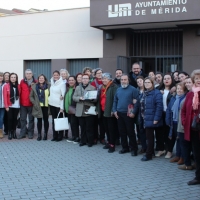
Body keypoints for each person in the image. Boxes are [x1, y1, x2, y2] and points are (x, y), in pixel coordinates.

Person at [113, 74, 139, 156]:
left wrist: (134, 112)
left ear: (128, 80)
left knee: (130, 132)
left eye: (125, 80)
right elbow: (115, 101)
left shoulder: (133, 90)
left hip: (129, 114)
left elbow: (137, 102)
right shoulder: (118, 89)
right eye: (122, 80)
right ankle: (125, 148)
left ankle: (134, 149)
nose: (123, 81)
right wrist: (114, 110)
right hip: (119, 113)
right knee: (122, 132)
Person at [181, 69, 200, 185]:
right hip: (193, 130)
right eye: (197, 78)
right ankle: (198, 177)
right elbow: (183, 111)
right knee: (197, 155)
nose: (198, 80)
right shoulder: (190, 94)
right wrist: (184, 121)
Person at [140, 77, 163, 161]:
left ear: (152, 84)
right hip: (145, 117)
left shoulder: (156, 93)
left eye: (148, 82)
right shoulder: (144, 93)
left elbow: (159, 106)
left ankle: (148, 155)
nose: (146, 84)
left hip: (153, 118)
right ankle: (151, 151)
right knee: (148, 137)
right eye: (145, 82)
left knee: (150, 138)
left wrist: (156, 118)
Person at [73, 74, 97, 147]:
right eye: (83, 78)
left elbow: (96, 99)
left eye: (86, 78)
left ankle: (90, 141)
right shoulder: (77, 88)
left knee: (89, 127)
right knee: (82, 127)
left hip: (88, 109)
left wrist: (92, 99)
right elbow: (74, 97)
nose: (85, 80)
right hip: (80, 109)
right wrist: (79, 98)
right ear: (81, 79)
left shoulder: (92, 87)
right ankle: (83, 141)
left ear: (89, 79)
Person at [165, 82, 187, 163]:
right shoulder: (173, 98)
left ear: (184, 90)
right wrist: (167, 120)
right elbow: (168, 109)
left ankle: (182, 157)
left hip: (180, 122)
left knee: (182, 140)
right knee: (177, 139)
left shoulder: (185, 98)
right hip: (173, 121)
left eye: (181, 89)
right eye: (178, 88)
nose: (179, 90)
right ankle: (177, 156)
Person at [97, 73, 118, 153]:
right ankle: (109, 142)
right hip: (103, 111)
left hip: (110, 111)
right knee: (106, 129)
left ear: (110, 79)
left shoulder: (113, 87)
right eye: (103, 79)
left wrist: (113, 110)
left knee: (111, 129)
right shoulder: (102, 87)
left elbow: (115, 100)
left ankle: (112, 145)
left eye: (105, 79)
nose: (104, 80)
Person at [156, 74, 175, 158]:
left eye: (168, 78)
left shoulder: (175, 90)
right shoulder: (158, 89)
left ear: (171, 80)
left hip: (170, 114)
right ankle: (161, 149)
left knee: (169, 133)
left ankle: (169, 150)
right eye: (165, 79)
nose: (166, 80)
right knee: (159, 132)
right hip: (160, 113)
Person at [177, 79, 194, 170]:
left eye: (189, 82)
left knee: (186, 146)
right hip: (182, 124)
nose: (187, 84)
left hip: (186, 126)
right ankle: (188, 163)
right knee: (185, 145)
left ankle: (188, 164)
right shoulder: (188, 94)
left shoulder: (193, 95)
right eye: (186, 83)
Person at [29, 74, 50, 141]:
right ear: (38, 79)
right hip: (38, 106)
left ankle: (45, 134)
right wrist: (34, 103)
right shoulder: (35, 86)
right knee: (39, 121)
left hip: (46, 106)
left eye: (42, 78)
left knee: (46, 121)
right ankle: (39, 135)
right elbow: (31, 96)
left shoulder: (49, 86)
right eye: (40, 78)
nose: (41, 79)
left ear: (44, 79)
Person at [18, 69, 36, 139]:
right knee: (23, 119)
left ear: (32, 74)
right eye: (27, 73)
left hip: (32, 104)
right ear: (25, 75)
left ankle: (30, 133)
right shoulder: (22, 81)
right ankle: (23, 133)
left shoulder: (35, 82)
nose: (28, 75)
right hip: (23, 104)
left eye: (30, 73)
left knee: (31, 119)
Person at [48, 70, 66, 142]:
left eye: (57, 75)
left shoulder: (62, 84)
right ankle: (54, 135)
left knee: (59, 120)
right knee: (53, 120)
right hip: (52, 104)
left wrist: (62, 107)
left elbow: (63, 96)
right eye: (54, 75)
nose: (55, 76)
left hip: (58, 106)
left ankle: (60, 136)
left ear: (59, 76)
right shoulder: (52, 82)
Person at [91, 68, 106, 144]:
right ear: (95, 75)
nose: (100, 74)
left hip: (102, 105)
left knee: (102, 123)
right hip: (94, 105)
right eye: (98, 73)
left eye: (101, 73)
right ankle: (95, 137)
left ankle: (102, 137)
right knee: (94, 122)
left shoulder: (105, 82)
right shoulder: (93, 83)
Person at [3, 73, 20, 140]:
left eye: (14, 77)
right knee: (10, 119)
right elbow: (5, 97)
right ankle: (10, 133)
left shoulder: (18, 86)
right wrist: (6, 106)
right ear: (10, 78)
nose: (13, 78)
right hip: (9, 105)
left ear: (16, 78)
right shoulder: (6, 86)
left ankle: (14, 132)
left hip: (17, 105)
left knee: (15, 120)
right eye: (12, 77)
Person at [64, 76, 80, 144]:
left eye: (72, 80)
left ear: (75, 81)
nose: (71, 81)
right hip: (68, 110)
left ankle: (77, 137)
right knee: (71, 123)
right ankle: (73, 136)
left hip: (74, 109)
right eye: (69, 80)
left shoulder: (76, 88)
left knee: (75, 124)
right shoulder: (67, 88)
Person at [136, 76, 147, 154]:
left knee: (148, 132)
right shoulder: (136, 91)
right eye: (138, 81)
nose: (139, 82)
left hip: (147, 114)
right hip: (138, 114)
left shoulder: (147, 91)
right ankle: (143, 147)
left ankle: (149, 148)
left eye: (140, 81)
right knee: (141, 131)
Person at [0, 72, 6, 139]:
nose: (0, 77)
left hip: (2, 105)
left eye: (1, 76)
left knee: (1, 118)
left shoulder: (5, 84)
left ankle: (0, 131)